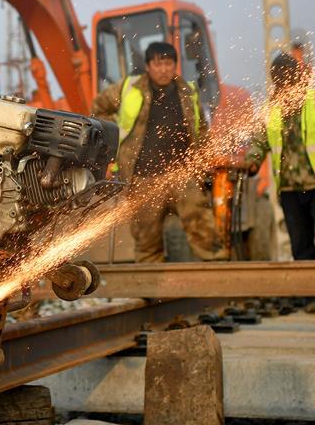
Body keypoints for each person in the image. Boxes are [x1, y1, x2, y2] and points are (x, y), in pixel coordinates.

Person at [92, 42, 227, 263]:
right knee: (146, 238)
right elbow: (99, 106)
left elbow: (201, 130)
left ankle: (218, 271)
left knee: (202, 225)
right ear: (148, 66)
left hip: (182, 175)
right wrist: (112, 136)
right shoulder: (129, 88)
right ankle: (150, 288)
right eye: (158, 64)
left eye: (168, 63)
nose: (163, 69)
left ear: (175, 65)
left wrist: (203, 162)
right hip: (143, 177)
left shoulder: (188, 91)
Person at [245, 53, 315, 316]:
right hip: (290, 189)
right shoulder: (271, 110)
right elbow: (259, 141)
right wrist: (252, 161)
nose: (283, 80)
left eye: (288, 74)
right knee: (301, 246)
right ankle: (311, 298)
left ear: (299, 75)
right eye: (278, 76)